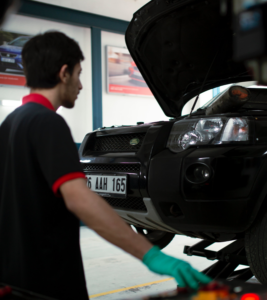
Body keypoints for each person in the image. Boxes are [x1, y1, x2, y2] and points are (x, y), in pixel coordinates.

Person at [0, 31, 211, 300]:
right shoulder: (47, 123)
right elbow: (80, 200)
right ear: (63, 73)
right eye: (78, 74)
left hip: (13, 280)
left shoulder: (10, 123)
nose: (80, 85)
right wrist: (150, 254)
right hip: (48, 282)